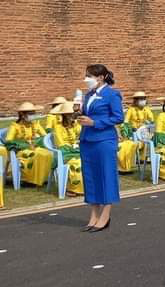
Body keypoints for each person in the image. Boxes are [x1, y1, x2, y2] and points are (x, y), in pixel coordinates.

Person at [78, 64, 124, 231]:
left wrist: (95, 123)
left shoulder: (112, 94)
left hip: (104, 140)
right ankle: (94, 215)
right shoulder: (88, 95)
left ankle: (105, 215)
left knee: (106, 175)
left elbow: (119, 117)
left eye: (90, 76)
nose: (87, 79)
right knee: (90, 177)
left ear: (101, 77)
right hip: (87, 139)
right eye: (86, 76)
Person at [5, 102, 53, 186]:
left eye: (33, 113)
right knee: (36, 154)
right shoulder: (15, 126)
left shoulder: (35, 124)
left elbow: (45, 137)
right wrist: (24, 144)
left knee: (47, 154)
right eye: (30, 114)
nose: (33, 116)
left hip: (34, 148)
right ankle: (30, 180)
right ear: (22, 115)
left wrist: (39, 141)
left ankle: (42, 179)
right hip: (21, 151)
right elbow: (8, 141)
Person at [48, 101, 84, 195]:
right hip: (65, 153)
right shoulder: (58, 127)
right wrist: (73, 146)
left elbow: (82, 133)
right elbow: (61, 144)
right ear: (64, 115)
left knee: (88, 160)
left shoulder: (75, 124)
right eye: (70, 114)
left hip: (75, 151)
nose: (73, 115)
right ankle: (73, 188)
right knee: (77, 164)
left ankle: (88, 188)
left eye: (73, 113)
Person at [118, 90, 154, 173]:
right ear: (136, 100)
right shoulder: (131, 110)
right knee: (133, 144)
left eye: (143, 99)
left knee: (147, 140)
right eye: (140, 99)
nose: (142, 101)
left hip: (144, 131)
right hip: (134, 132)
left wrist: (148, 124)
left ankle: (142, 159)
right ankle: (133, 161)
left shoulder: (147, 109)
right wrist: (130, 128)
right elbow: (125, 122)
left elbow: (151, 120)